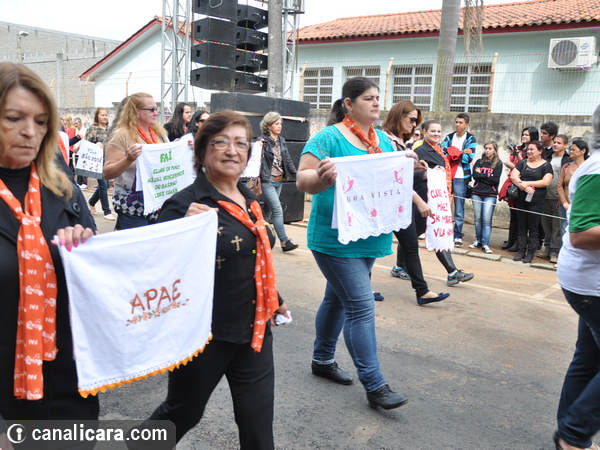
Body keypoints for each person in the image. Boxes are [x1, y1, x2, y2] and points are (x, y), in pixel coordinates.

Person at [147, 110, 289, 448]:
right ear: (201, 151)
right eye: (221, 142)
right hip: (203, 336)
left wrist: (274, 297)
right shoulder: (184, 205)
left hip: (254, 332)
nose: (232, 150)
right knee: (182, 413)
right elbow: (153, 265)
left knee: (258, 426)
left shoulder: (249, 198)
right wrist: (180, 229)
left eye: (241, 143)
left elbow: (253, 256)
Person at [296, 77, 408, 410]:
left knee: (336, 300)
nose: (376, 103)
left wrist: (411, 177)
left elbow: (389, 178)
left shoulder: (383, 141)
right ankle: (375, 385)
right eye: (368, 98)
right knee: (360, 305)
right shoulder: (327, 138)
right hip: (335, 239)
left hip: (369, 233)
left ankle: (322, 360)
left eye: (378, 97)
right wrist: (322, 177)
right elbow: (302, 179)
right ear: (348, 103)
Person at [0, 62, 98, 420]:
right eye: (14, 118)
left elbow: (98, 281)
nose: (30, 132)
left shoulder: (63, 189)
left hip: (69, 389)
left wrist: (84, 252)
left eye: (41, 121)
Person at [554, 104, 600, 450]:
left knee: (588, 359)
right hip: (591, 284)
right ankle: (574, 434)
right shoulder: (597, 170)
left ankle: (570, 435)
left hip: (588, 281)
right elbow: (582, 233)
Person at [382, 100, 450, 306]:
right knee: (369, 247)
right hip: (385, 203)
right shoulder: (384, 140)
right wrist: (418, 200)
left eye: (416, 121)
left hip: (400, 203)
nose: (414, 125)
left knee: (411, 246)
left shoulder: (401, 142)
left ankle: (422, 291)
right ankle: (362, 288)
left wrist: (422, 170)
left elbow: (402, 173)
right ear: (398, 116)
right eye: (412, 120)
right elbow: (391, 177)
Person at [414, 119, 475, 286]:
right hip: (424, 199)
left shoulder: (439, 150)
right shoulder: (420, 150)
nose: (436, 134)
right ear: (424, 132)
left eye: (439, 131)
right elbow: (413, 174)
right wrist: (429, 172)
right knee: (432, 233)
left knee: (414, 235)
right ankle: (452, 272)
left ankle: (399, 267)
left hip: (439, 200)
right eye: (432, 131)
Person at [103, 92, 168, 230]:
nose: (156, 113)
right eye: (151, 109)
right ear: (136, 111)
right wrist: (128, 159)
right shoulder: (121, 135)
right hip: (132, 209)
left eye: (156, 109)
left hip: (157, 205)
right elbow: (107, 173)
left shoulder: (160, 134)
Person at [259, 111, 299, 252]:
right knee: (277, 209)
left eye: (280, 124)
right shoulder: (262, 141)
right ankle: (284, 241)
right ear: (269, 125)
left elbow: (287, 160)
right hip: (267, 181)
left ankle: (258, 237)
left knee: (268, 212)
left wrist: (297, 175)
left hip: (279, 181)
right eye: (276, 124)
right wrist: (257, 146)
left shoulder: (281, 140)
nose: (280, 126)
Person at [510, 140, 553, 263]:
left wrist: (527, 183)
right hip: (521, 199)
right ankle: (521, 251)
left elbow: (546, 182)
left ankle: (530, 253)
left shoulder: (546, 165)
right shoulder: (523, 163)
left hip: (537, 202)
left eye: (532, 149)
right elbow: (513, 176)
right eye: (528, 149)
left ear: (540, 151)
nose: (528, 151)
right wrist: (523, 187)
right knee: (521, 226)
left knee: (534, 228)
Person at [500, 126, 539, 251]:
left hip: (525, 184)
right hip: (513, 182)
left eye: (527, 135)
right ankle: (511, 240)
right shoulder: (518, 148)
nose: (524, 137)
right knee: (513, 215)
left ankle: (519, 242)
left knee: (521, 217)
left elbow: (525, 165)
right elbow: (508, 162)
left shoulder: (533, 150)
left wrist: (517, 160)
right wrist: (516, 163)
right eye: (523, 134)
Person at [441, 112, 477, 246]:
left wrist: (453, 152)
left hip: (462, 177)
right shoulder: (449, 137)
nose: (457, 124)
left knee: (459, 208)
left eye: (461, 122)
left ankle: (457, 235)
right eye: (456, 122)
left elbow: (469, 158)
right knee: (444, 204)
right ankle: (443, 231)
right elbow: (443, 153)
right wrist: (461, 152)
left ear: (466, 125)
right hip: (447, 175)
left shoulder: (471, 138)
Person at [538, 134, 571, 262]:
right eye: (555, 142)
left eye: (559, 143)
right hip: (545, 196)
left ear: (565, 145)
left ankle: (555, 252)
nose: (555, 145)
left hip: (559, 198)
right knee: (546, 224)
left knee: (557, 227)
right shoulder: (547, 157)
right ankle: (547, 249)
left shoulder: (568, 161)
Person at [468, 142, 503, 254]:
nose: (487, 150)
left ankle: (485, 243)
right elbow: (475, 176)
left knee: (486, 220)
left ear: (495, 150)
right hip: (477, 193)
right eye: (486, 148)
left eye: (490, 148)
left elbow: (495, 180)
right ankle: (478, 240)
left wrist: (482, 175)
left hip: (490, 195)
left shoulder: (498, 164)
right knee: (477, 219)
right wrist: (487, 176)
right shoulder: (479, 162)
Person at [85, 107, 115, 221]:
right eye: (102, 115)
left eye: (106, 115)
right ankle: (107, 211)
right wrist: (96, 144)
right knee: (103, 184)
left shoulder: (110, 129)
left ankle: (91, 202)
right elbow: (86, 145)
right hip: (97, 161)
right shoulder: (93, 129)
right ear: (97, 116)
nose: (105, 117)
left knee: (106, 185)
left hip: (108, 161)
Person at [557, 139, 589, 238]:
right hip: (565, 206)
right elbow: (560, 186)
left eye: (573, 150)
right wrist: (564, 203)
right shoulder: (566, 166)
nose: (571, 151)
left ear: (583, 151)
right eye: (570, 149)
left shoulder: (589, 168)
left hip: (582, 206)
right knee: (564, 232)